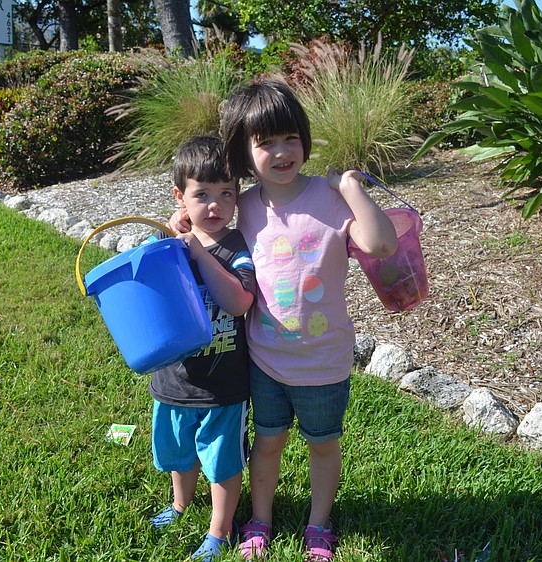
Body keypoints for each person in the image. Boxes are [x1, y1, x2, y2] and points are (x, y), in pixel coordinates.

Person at [170, 79, 398, 561]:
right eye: (265, 142)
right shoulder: (244, 205)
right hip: (266, 360)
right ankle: (260, 519)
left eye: (290, 137)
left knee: (322, 445)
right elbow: (209, 239)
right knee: (267, 443)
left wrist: (351, 186)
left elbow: (381, 245)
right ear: (242, 151)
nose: (281, 151)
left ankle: (318, 524)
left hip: (323, 361)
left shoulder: (331, 199)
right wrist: (181, 226)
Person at [148, 135, 257, 562]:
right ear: (180, 197)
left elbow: (238, 302)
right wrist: (175, 236)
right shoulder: (169, 244)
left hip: (223, 385)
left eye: (226, 194)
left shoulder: (237, 248)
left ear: (237, 197)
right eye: (202, 195)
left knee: (223, 460)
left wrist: (197, 246)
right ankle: (179, 503)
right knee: (177, 452)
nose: (214, 205)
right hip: (173, 380)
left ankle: (220, 528)